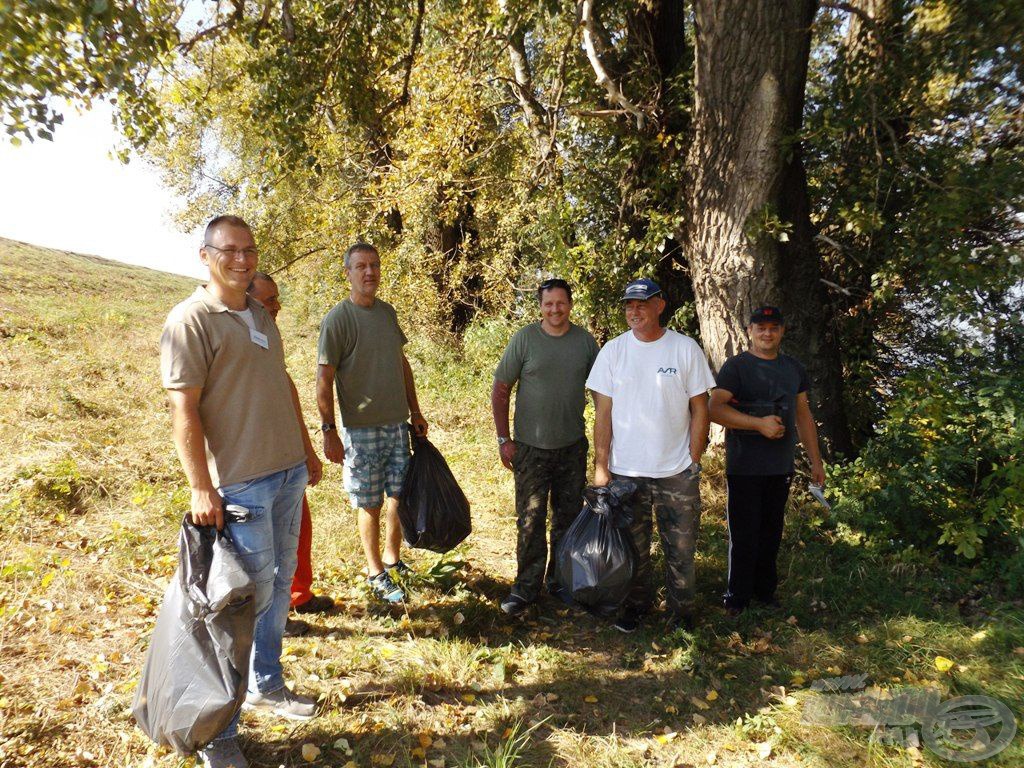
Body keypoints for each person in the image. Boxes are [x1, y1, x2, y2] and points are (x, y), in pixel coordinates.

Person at [160, 216, 324, 768]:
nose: (242, 259)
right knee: (237, 608)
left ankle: (267, 685)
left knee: (277, 589)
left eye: (249, 250)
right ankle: (221, 732)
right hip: (240, 485)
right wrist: (200, 486)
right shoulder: (190, 320)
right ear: (204, 255)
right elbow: (183, 408)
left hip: (285, 476)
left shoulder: (259, 314)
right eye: (229, 251)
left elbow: (278, 385)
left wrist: (302, 450)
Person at [587, 278, 715, 633]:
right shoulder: (613, 351)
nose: (634, 311)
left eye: (642, 304)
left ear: (660, 306)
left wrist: (693, 458)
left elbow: (701, 407)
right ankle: (635, 607)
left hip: (676, 471)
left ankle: (682, 615)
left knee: (682, 550)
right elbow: (603, 414)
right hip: (626, 472)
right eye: (629, 305)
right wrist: (602, 468)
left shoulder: (684, 349)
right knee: (632, 549)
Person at [316, 243, 428, 604]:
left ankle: (394, 561)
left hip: (397, 424)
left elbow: (401, 363)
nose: (369, 272)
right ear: (347, 272)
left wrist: (416, 411)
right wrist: (329, 430)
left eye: (374, 266)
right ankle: (375, 571)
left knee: (398, 495)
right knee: (370, 502)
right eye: (361, 266)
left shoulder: (387, 313)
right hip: (360, 430)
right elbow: (324, 378)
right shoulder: (338, 319)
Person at [492, 278, 600, 616]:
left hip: (571, 447)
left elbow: (602, 393)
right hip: (529, 449)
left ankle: (560, 583)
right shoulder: (525, 339)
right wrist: (503, 439)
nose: (555, 309)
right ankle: (526, 587)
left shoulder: (584, 342)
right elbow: (501, 387)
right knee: (530, 520)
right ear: (540, 306)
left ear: (570, 304)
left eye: (560, 303)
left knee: (567, 519)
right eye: (548, 304)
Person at [709, 305, 825, 617]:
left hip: (780, 466)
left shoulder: (793, 369)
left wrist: (816, 460)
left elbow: (803, 413)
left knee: (771, 532)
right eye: (761, 327)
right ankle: (737, 599)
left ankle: (765, 593)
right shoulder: (736, 367)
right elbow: (715, 409)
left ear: (782, 332)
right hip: (745, 467)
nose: (767, 333)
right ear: (749, 331)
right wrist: (758, 424)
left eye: (774, 327)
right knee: (744, 535)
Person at [247, 273, 335, 637]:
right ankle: (269, 616)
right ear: (248, 298)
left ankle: (298, 594)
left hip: (287, 457)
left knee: (298, 527)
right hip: (253, 461)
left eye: (277, 299)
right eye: (270, 300)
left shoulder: (270, 333)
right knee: (264, 540)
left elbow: (287, 389)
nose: (276, 306)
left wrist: (307, 449)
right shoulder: (232, 335)